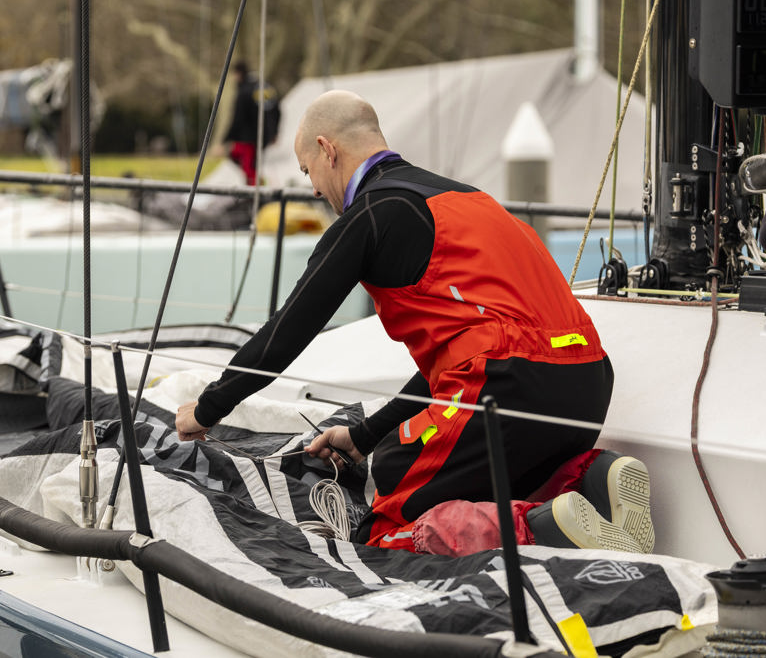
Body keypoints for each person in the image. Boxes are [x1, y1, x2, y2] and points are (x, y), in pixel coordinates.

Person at [177, 90, 654, 557]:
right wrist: (363, 436)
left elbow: (288, 330)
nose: (315, 190)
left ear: (328, 150)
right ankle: (590, 478)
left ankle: (538, 530)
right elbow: (461, 350)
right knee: (482, 475)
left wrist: (207, 409)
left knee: (387, 517)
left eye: (309, 173)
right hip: (587, 382)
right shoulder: (474, 200)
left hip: (504, 385)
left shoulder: (371, 214)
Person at [223, 62, 280, 186]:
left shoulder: (244, 91)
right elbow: (276, 109)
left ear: (238, 74)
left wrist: (227, 139)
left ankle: (254, 192)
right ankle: (257, 185)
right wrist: (274, 132)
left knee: (248, 167)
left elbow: (238, 117)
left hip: (248, 138)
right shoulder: (265, 87)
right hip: (263, 135)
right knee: (252, 164)